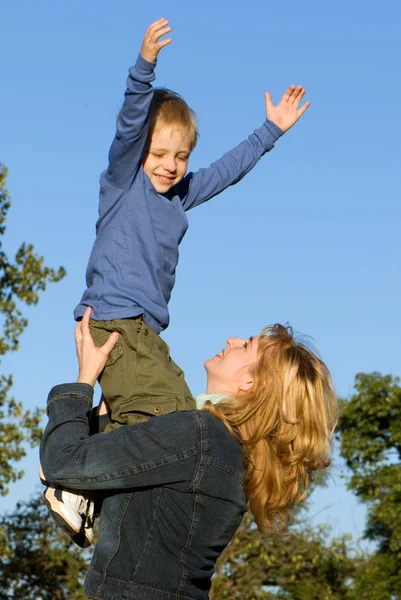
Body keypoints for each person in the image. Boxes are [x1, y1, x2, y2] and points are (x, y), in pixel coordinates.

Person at [41, 16, 311, 546]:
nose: (169, 167)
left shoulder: (179, 194)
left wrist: (271, 130)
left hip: (145, 332)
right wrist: (144, 68)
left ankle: (85, 481)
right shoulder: (123, 182)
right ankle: (75, 480)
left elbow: (229, 169)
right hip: (116, 321)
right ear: (140, 151)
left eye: (180, 157)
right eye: (159, 155)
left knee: (168, 409)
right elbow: (127, 125)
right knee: (171, 417)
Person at [40, 307, 337, 600]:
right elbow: (138, 515)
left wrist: (83, 380)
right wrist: (106, 417)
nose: (231, 340)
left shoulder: (200, 435)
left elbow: (62, 459)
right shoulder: (228, 451)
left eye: (246, 346)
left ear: (250, 382)